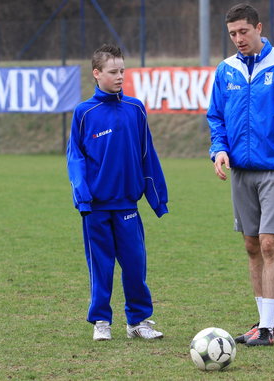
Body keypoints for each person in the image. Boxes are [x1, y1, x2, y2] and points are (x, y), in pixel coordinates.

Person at [207, 3, 274, 347]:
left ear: (259, 28)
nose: (238, 39)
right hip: (240, 173)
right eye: (232, 34)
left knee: (269, 243)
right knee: (252, 246)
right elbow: (216, 118)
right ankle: (262, 324)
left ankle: (267, 328)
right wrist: (219, 148)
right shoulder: (225, 71)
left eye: (243, 32)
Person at [67, 43, 168, 341]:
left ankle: (138, 321)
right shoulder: (84, 112)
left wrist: (157, 198)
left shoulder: (135, 109)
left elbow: (148, 154)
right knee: (101, 266)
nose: (120, 76)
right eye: (113, 72)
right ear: (97, 74)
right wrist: (83, 197)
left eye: (122, 70)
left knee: (135, 263)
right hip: (95, 207)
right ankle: (101, 321)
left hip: (127, 206)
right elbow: (75, 158)